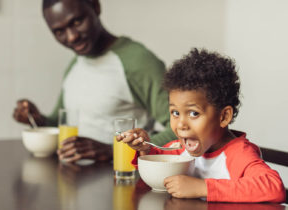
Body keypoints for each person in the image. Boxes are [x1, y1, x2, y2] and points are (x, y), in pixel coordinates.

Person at [13, 0, 176, 163]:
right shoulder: (76, 64)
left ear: (96, 7)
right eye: (59, 31)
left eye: (77, 22)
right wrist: (36, 119)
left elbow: (181, 129)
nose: (72, 36)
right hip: (74, 181)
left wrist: (112, 150)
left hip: (122, 180)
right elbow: (60, 122)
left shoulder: (138, 61)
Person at [117, 48, 286, 202]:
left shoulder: (239, 154)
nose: (181, 124)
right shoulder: (182, 147)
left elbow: (273, 187)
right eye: (175, 113)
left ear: (224, 116)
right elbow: (162, 157)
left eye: (193, 113)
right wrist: (145, 149)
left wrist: (202, 187)